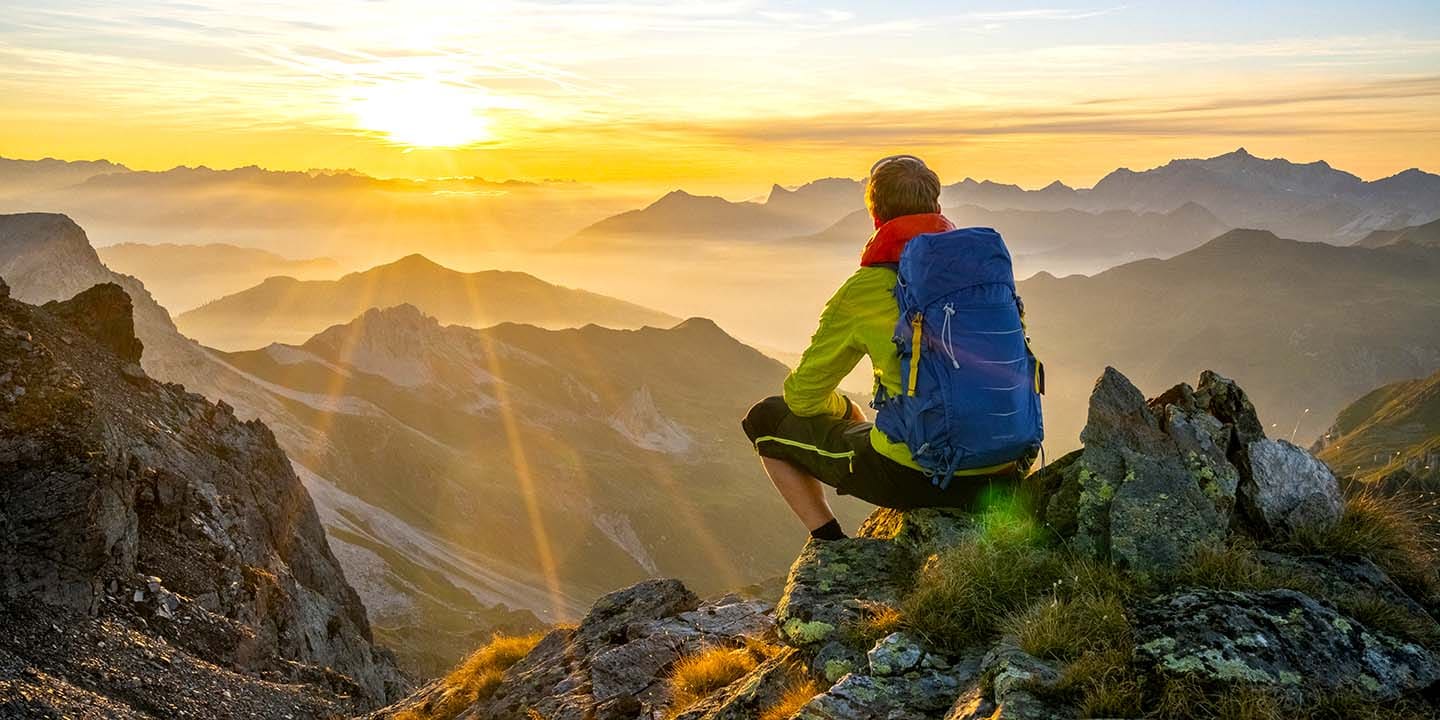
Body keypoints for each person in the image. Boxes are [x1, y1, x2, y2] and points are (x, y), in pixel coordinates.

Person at [741, 155, 1033, 541]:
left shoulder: (866, 289)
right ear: (938, 208)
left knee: (765, 419)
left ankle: (830, 543)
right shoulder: (983, 275)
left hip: (922, 477)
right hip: (1008, 465)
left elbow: (803, 397)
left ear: (876, 218)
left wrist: (844, 408)